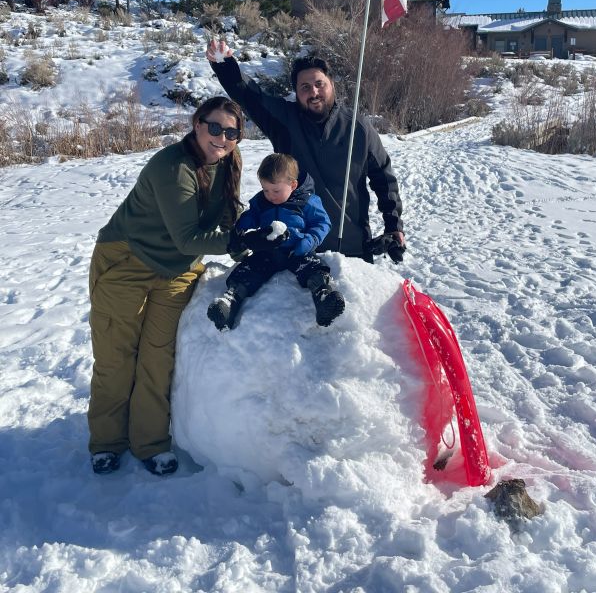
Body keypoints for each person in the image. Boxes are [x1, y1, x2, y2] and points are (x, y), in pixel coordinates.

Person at [87, 96, 244, 476]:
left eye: (232, 132)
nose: (222, 138)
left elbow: (228, 213)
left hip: (176, 272)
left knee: (158, 358)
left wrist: (250, 235)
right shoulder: (173, 167)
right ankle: (107, 441)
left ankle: (150, 442)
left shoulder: (227, 163)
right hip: (128, 261)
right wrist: (241, 241)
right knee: (117, 357)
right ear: (197, 123)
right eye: (215, 127)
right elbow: (188, 238)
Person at [206, 38, 405, 263]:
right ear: (296, 92)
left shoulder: (358, 128)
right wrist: (225, 66)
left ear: (332, 85)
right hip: (293, 250)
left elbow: (384, 178)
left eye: (320, 84)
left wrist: (393, 225)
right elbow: (251, 96)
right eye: (305, 87)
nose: (314, 92)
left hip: (352, 250)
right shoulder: (284, 120)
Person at [207, 153, 345, 330]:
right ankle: (230, 300)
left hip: (296, 250)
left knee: (313, 266)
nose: (270, 195)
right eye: (265, 190)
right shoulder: (261, 201)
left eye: (276, 191)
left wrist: (310, 240)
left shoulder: (307, 202)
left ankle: (324, 296)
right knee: (248, 269)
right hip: (267, 250)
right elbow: (252, 215)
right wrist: (241, 226)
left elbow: (322, 223)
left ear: (293, 185)